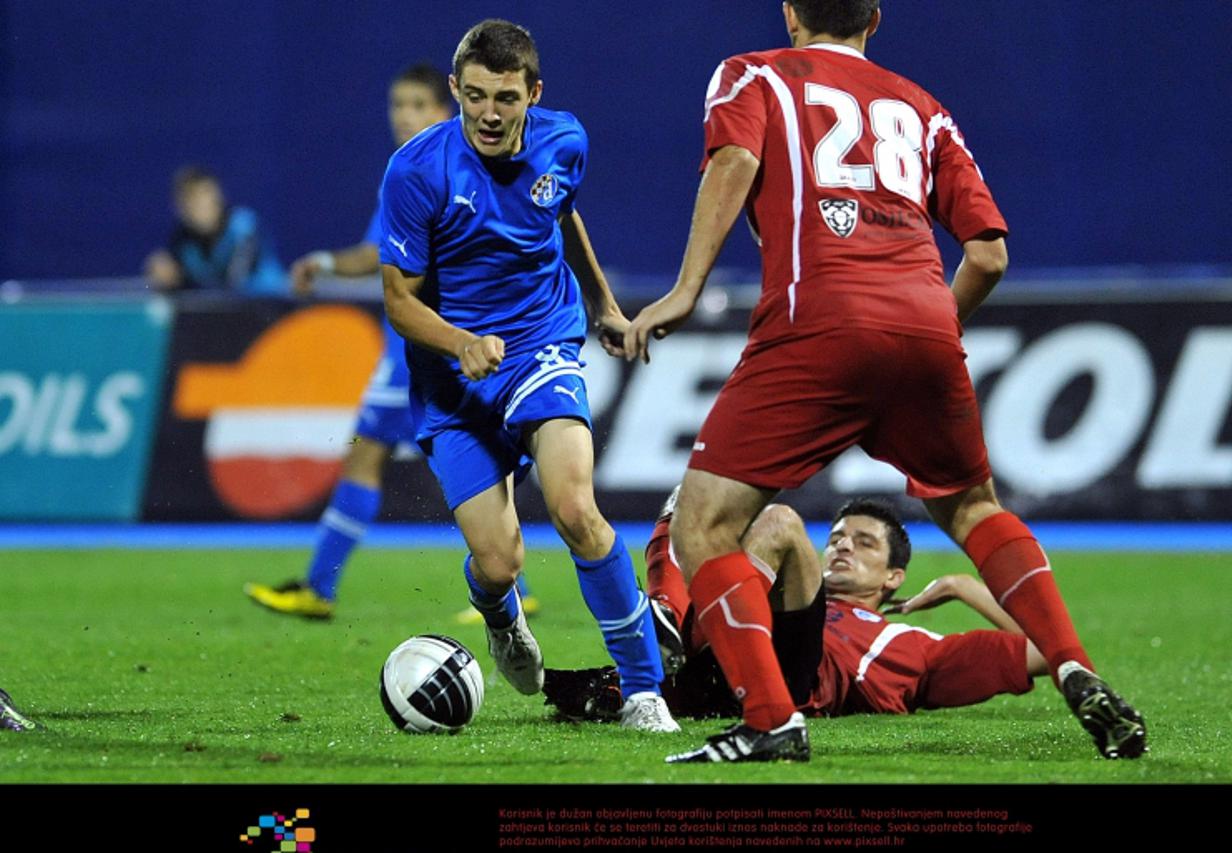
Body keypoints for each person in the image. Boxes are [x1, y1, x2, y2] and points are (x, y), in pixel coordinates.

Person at [623, 0, 1145, 761]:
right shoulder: (923, 107)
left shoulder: (753, 75)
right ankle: (1071, 661)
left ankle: (771, 721)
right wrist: (929, 330)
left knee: (704, 525)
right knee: (973, 507)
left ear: (791, 12)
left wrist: (685, 290)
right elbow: (990, 253)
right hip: (926, 321)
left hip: (817, 323)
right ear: (875, 18)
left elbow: (733, 162)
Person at [377, 19, 677, 731]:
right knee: (499, 559)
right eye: (473, 95)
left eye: (505, 98)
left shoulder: (565, 139)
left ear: (532, 93)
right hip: (454, 382)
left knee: (574, 507)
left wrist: (602, 303)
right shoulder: (417, 172)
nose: (487, 113)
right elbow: (397, 299)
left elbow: (561, 215)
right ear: (454, 88)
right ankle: (499, 616)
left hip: (541, 345)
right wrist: (458, 342)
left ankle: (643, 691)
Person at [243, 63, 539, 623]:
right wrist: (330, 262)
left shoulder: (449, 167)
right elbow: (379, 253)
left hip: (436, 346)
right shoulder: (407, 169)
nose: (403, 115)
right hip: (413, 346)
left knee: (455, 461)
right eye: (396, 104)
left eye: (415, 104)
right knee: (375, 454)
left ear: (445, 106)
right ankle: (320, 587)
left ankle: (506, 587)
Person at [545, 493, 1047, 731]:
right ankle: (655, 649)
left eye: (864, 543)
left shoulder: (909, 646)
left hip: (794, 680)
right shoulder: (771, 587)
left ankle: (663, 631)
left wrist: (962, 586)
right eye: (836, 540)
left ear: (894, 577)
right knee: (693, 498)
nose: (842, 548)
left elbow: (1051, 651)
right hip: (729, 658)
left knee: (780, 522)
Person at [144, 166, 286, 294]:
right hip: (222, 313)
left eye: (204, 198)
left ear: (218, 198)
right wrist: (166, 278)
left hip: (272, 304)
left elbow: (236, 282)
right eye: (191, 202)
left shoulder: (244, 226)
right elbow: (176, 283)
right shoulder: (181, 241)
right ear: (180, 208)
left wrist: (182, 280)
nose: (200, 208)